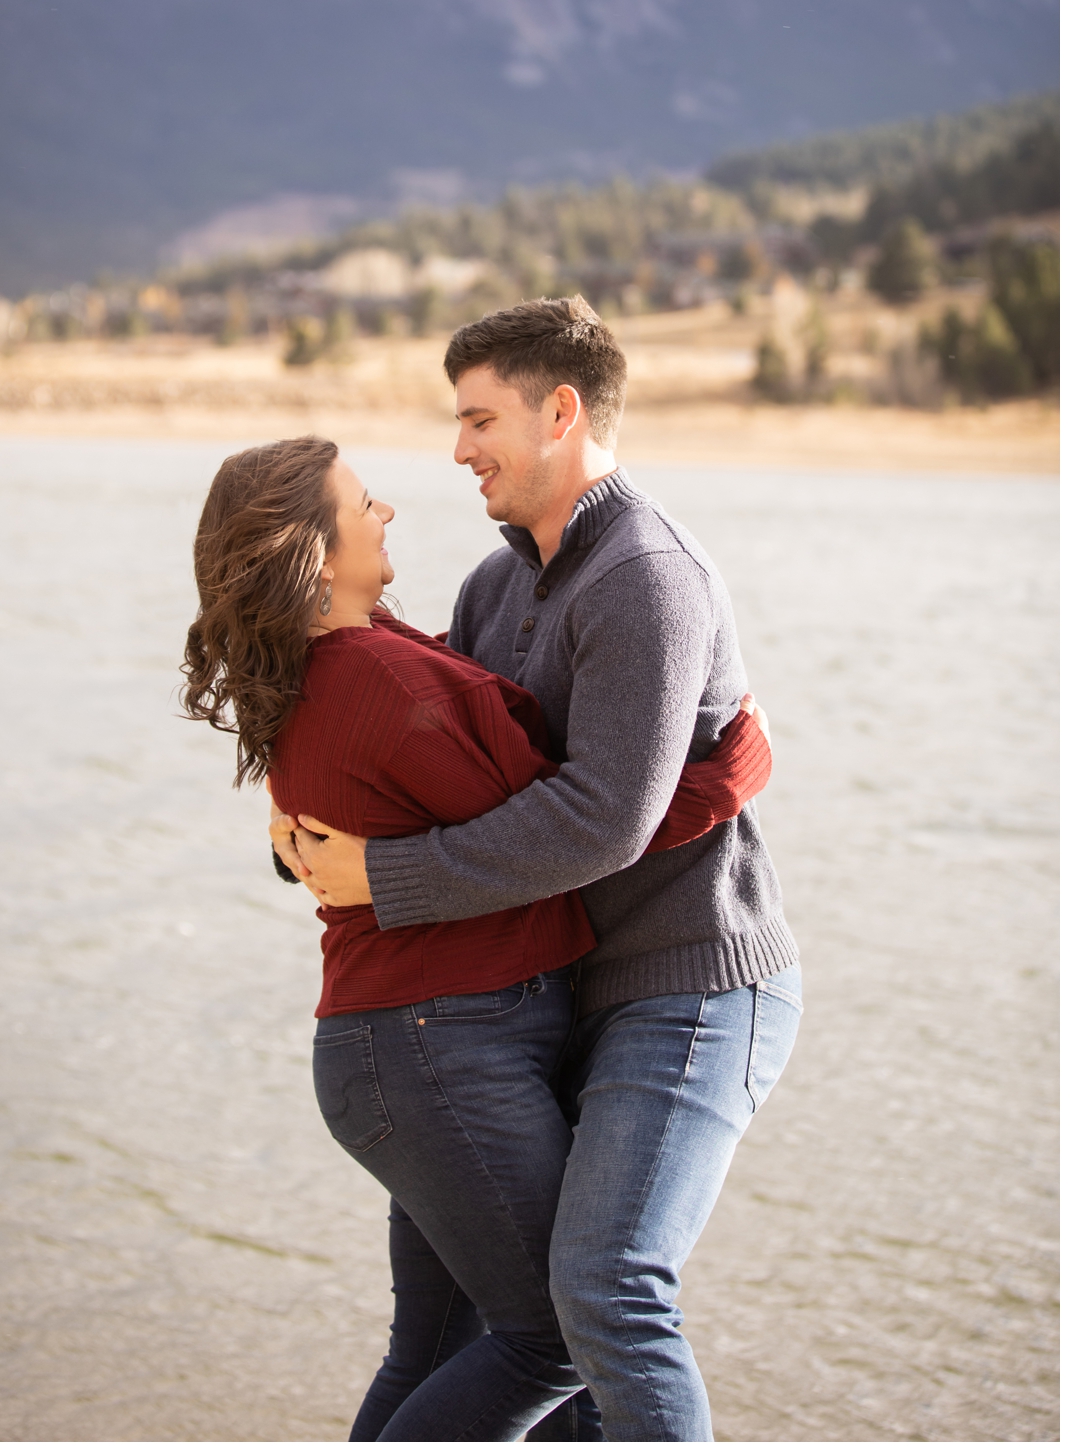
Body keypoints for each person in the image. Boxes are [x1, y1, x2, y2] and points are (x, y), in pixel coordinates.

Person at [279, 296, 803, 1442]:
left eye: (479, 418)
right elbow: (474, 785)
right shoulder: (491, 589)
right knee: (492, 1326)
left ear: (561, 412)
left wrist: (390, 879)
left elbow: (599, 819)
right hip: (551, 993)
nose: (456, 448)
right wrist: (309, 842)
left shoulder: (646, 577)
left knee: (606, 1293)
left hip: (691, 983)